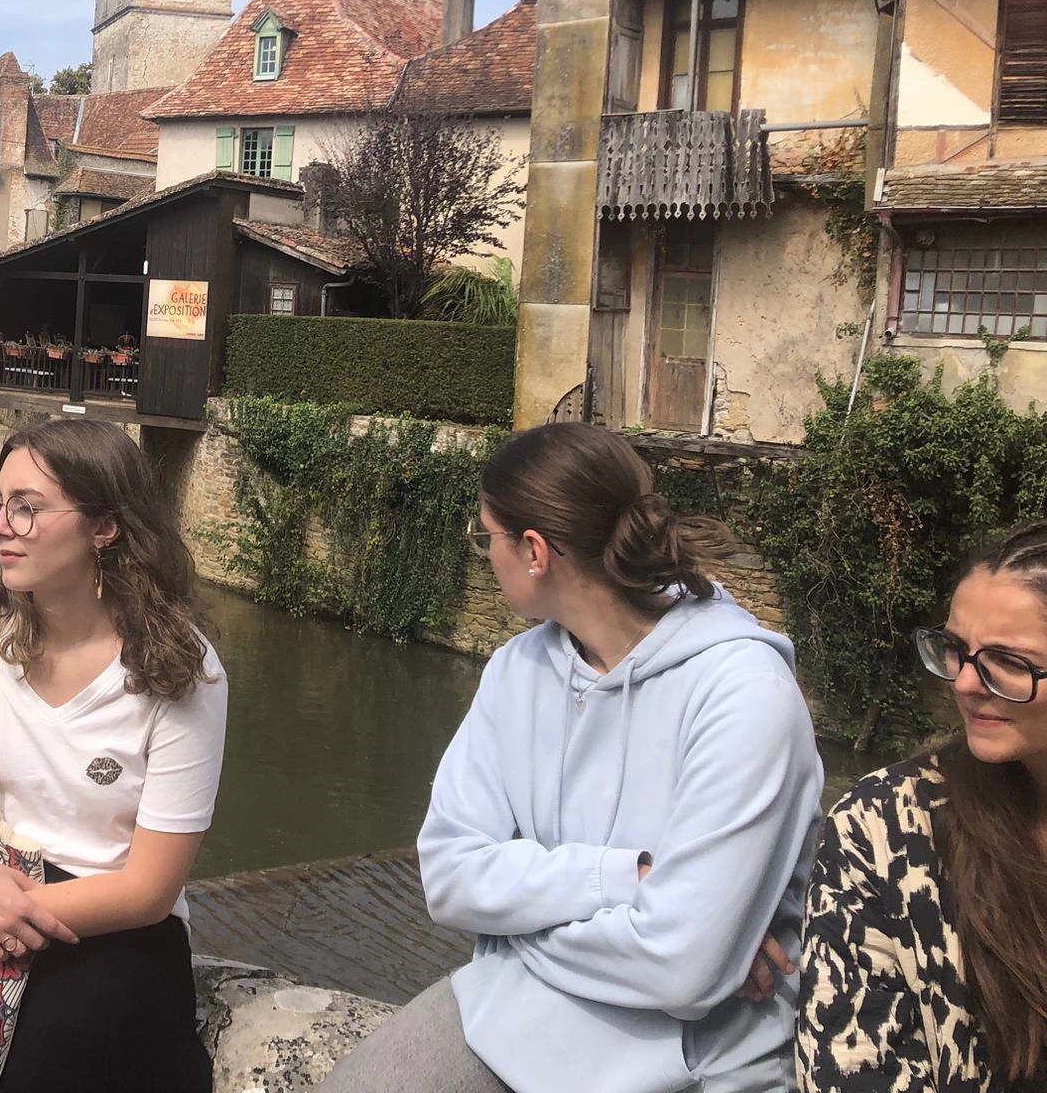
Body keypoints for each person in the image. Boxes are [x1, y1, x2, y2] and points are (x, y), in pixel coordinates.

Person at [321, 421, 823, 1093]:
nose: (483, 553)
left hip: (690, 1063)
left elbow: (681, 970)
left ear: (534, 552)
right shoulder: (515, 670)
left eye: (485, 537)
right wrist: (629, 879)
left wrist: (510, 928)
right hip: (512, 1011)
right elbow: (448, 874)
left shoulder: (744, 695)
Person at [0, 418, 227, 1093]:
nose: (0, 526)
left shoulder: (182, 672)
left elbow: (148, 890)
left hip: (111, 925)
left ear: (104, 527)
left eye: (28, 508)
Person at [797, 523, 1047, 1092]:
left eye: (1008, 662)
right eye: (956, 650)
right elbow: (852, 1069)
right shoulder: (885, 829)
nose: (963, 682)